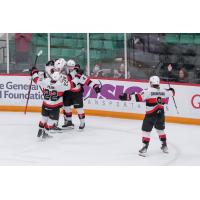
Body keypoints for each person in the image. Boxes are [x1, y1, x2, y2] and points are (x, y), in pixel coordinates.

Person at [119, 76, 175, 157]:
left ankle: (145, 147)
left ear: (151, 82)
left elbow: (137, 97)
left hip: (151, 114)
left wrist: (126, 97)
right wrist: (171, 90)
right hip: (161, 114)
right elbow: (172, 93)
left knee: (146, 131)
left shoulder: (147, 91)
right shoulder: (164, 91)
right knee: (160, 130)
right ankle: (164, 146)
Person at [30, 64, 76, 139]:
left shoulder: (45, 81)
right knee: (52, 121)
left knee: (43, 119)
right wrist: (77, 76)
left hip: (45, 105)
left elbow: (35, 79)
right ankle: (45, 133)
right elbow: (72, 85)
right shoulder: (60, 85)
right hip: (54, 107)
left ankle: (40, 131)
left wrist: (34, 71)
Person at [55, 59, 101, 130]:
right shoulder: (66, 72)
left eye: (72, 66)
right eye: (69, 66)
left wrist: (95, 87)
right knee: (66, 107)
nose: (70, 68)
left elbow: (87, 81)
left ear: (74, 66)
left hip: (77, 94)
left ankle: (82, 122)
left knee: (79, 109)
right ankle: (69, 122)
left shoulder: (78, 73)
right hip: (68, 92)